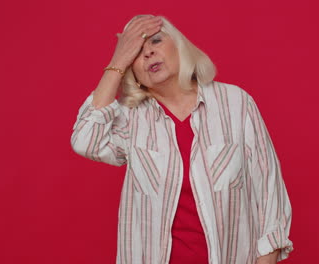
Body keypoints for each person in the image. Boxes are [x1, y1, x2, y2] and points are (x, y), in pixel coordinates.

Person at [71, 14, 294, 264]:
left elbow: (268, 197)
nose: (147, 54)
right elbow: (85, 140)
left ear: (179, 45)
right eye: (136, 52)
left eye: (155, 41)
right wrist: (118, 60)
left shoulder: (236, 104)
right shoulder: (132, 119)